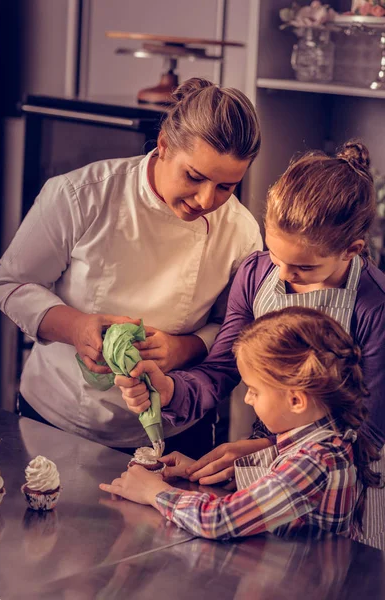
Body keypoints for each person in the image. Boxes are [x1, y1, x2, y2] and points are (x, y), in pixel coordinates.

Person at [117, 140, 385, 548]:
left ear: (352, 250)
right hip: (280, 456)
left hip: (350, 476)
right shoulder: (257, 274)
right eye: (275, 255)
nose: (283, 274)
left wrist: (265, 449)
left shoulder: (374, 305)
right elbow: (223, 368)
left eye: (304, 267)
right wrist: (170, 388)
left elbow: (369, 430)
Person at [0, 77, 262, 457]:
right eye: (195, 177)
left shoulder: (243, 233)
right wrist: (77, 328)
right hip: (58, 420)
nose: (205, 199)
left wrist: (179, 349)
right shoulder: (80, 194)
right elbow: (12, 284)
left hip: (176, 431)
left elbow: (234, 329)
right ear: (164, 144)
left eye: (226, 187)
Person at [100, 307, 382, 541]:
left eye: (255, 390)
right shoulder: (324, 439)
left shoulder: (317, 459)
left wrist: (155, 492)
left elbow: (219, 520)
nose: (247, 399)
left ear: (296, 401)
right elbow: (276, 488)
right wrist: (194, 471)